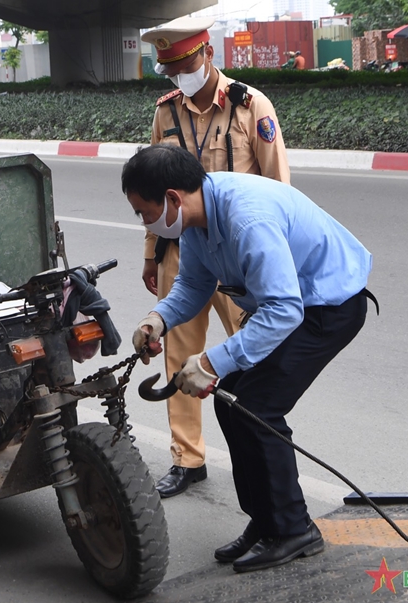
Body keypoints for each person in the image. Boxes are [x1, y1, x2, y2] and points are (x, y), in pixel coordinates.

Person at [127, 144, 374, 572]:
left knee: (257, 407)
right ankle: (266, 522)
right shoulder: (196, 220)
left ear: (171, 198)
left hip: (328, 308)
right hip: (290, 308)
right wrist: (156, 320)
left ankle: (295, 529)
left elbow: (284, 310)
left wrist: (210, 363)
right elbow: (193, 284)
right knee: (232, 401)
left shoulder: (247, 219)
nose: (146, 223)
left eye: (145, 213)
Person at [140, 16, 290, 498]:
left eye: (183, 64)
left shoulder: (251, 106)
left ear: (206, 54)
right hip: (181, 254)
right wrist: (150, 253)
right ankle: (188, 458)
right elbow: (150, 188)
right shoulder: (165, 112)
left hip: (241, 258)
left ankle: (259, 444)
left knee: (248, 355)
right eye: (169, 69)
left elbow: (277, 188)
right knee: (179, 358)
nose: (178, 75)